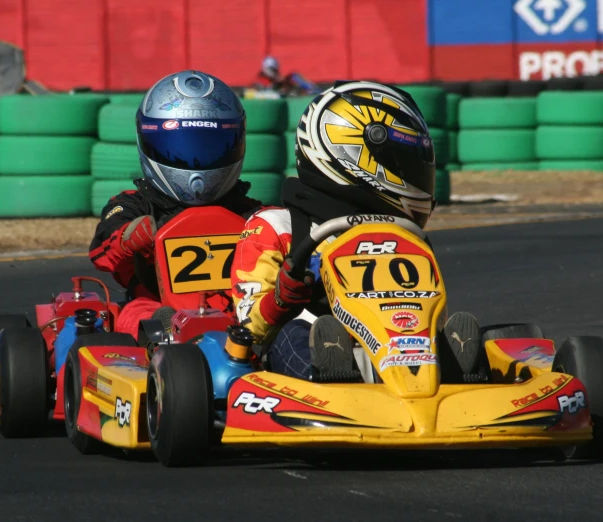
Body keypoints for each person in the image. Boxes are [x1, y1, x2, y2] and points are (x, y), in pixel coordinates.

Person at [230, 80, 481, 382]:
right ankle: (331, 382)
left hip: (391, 351)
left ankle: (457, 373)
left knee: (470, 336)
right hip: (302, 365)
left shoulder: (402, 235)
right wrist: (282, 298)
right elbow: (249, 327)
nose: (410, 173)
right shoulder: (277, 226)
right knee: (294, 333)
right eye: (399, 162)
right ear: (349, 151)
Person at [89, 70, 262, 336]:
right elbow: (102, 253)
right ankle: (166, 336)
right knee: (135, 312)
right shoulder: (133, 206)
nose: (196, 161)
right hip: (157, 307)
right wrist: (131, 237)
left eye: (210, 148)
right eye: (179, 150)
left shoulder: (251, 214)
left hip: (243, 310)